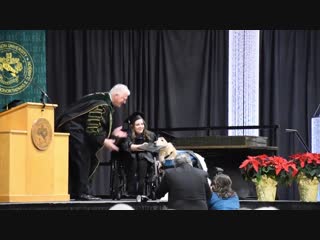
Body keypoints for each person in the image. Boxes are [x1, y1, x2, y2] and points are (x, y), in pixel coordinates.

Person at [55, 83, 130, 201]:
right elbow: (92, 127)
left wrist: (112, 133)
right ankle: (81, 193)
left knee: (89, 158)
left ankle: (77, 192)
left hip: (75, 128)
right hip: (73, 127)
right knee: (83, 157)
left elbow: (94, 125)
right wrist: (104, 141)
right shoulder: (102, 104)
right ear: (116, 94)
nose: (124, 102)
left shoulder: (102, 99)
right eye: (124, 98)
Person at [118, 112, 158, 198]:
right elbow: (126, 146)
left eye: (142, 124)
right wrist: (142, 147)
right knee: (134, 158)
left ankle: (141, 189)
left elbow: (155, 149)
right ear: (132, 126)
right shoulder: (127, 134)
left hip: (146, 161)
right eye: (137, 125)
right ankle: (131, 190)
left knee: (142, 157)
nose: (140, 126)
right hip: (130, 161)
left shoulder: (150, 135)